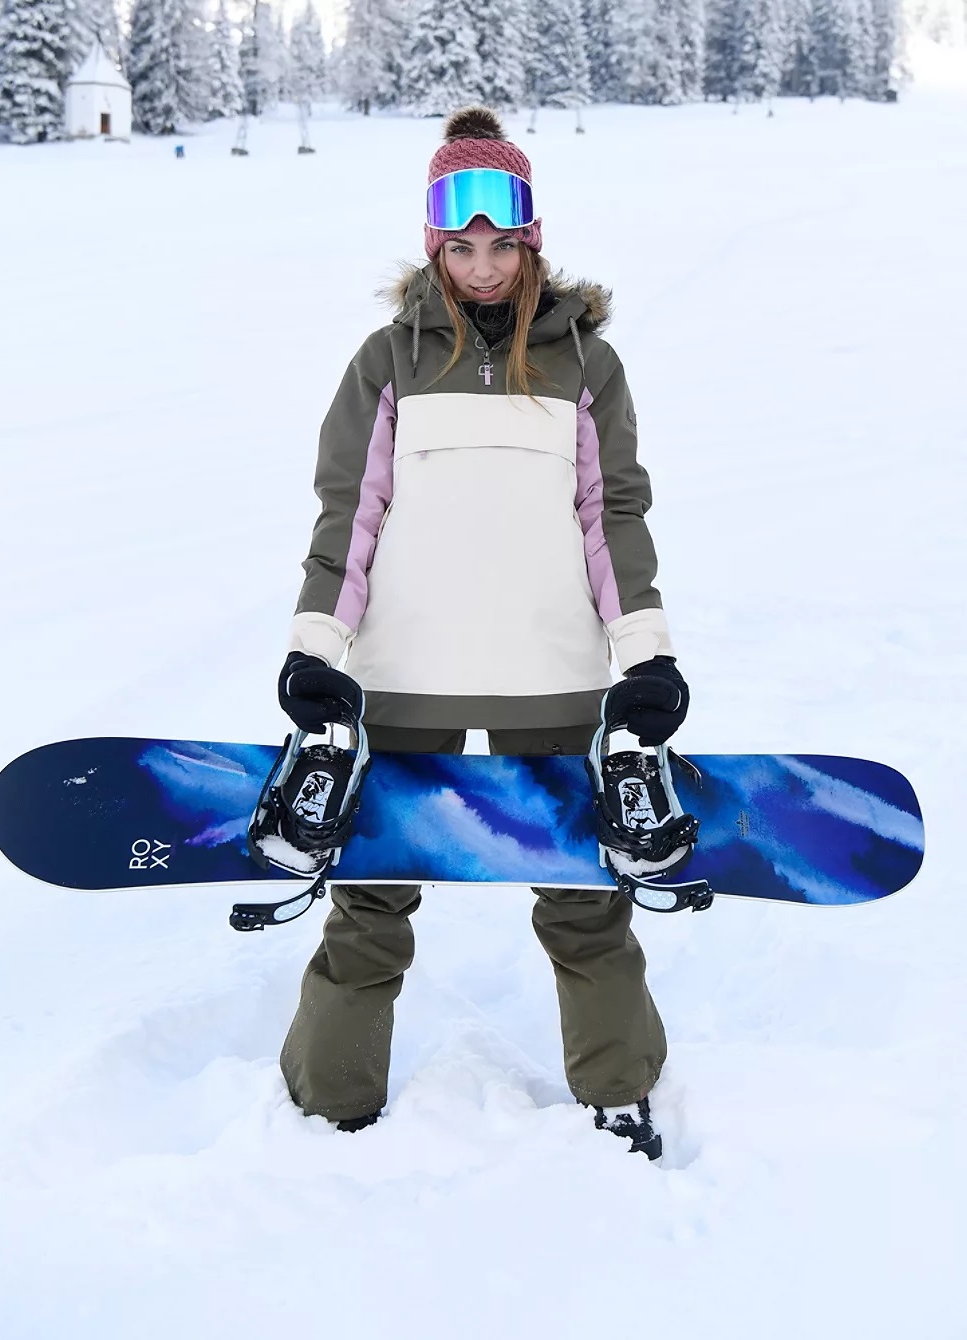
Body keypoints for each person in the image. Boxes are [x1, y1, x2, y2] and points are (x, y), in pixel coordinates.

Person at [275, 107, 689, 1159]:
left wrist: (645, 656)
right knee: (369, 896)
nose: (483, 265)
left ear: (531, 239)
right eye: (460, 246)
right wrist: (315, 648)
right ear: (433, 246)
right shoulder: (387, 361)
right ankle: (329, 1102)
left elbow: (612, 516)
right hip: (406, 669)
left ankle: (619, 1091)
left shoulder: (588, 365)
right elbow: (349, 514)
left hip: (549, 672)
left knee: (585, 899)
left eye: (502, 242)